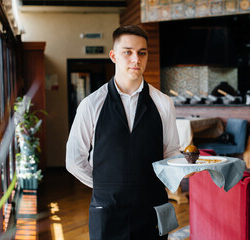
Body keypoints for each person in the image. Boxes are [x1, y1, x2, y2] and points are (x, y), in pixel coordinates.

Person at [66, 25, 180, 240]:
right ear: (113, 56)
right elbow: (74, 160)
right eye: (128, 52)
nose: (136, 59)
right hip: (107, 211)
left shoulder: (164, 103)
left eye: (142, 52)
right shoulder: (91, 104)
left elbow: (172, 152)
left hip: (152, 209)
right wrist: (108, 185)